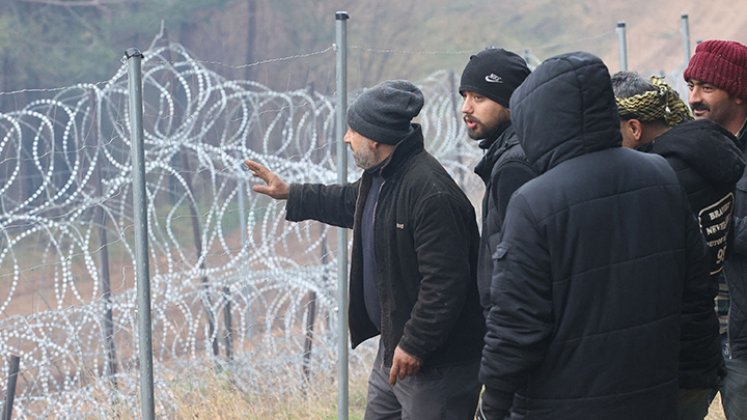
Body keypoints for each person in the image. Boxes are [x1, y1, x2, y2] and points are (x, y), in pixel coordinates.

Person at [477, 51, 714, 419]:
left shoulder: (536, 200)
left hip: (558, 402)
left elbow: (516, 325)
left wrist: (492, 404)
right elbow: (696, 288)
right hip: (650, 395)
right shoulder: (661, 176)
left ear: (540, 119)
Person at [244, 80, 485, 419]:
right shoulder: (384, 176)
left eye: (352, 131)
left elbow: (445, 283)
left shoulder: (430, 194)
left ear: (375, 137)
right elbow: (351, 203)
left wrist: (414, 344)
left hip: (437, 364)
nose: (346, 138)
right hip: (396, 349)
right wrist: (292, 193)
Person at [612, 70, 744, 419]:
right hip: (700, 343)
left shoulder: (659, 179)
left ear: (635, 128)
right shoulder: (704, 160)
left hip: (667, 352)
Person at [685, 39, 747, 419]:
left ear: (738, 93)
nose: (694, 98)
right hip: (710, 330)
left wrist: (713, 229)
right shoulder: (692, 150)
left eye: (707, 87)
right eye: (690, 85)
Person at [459, 47, 535, 313]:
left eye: (479, 97)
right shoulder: (509, 154)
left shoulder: (514, 166)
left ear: (510, 101)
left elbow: (522, 265)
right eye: (464, 96)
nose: (465, 108)